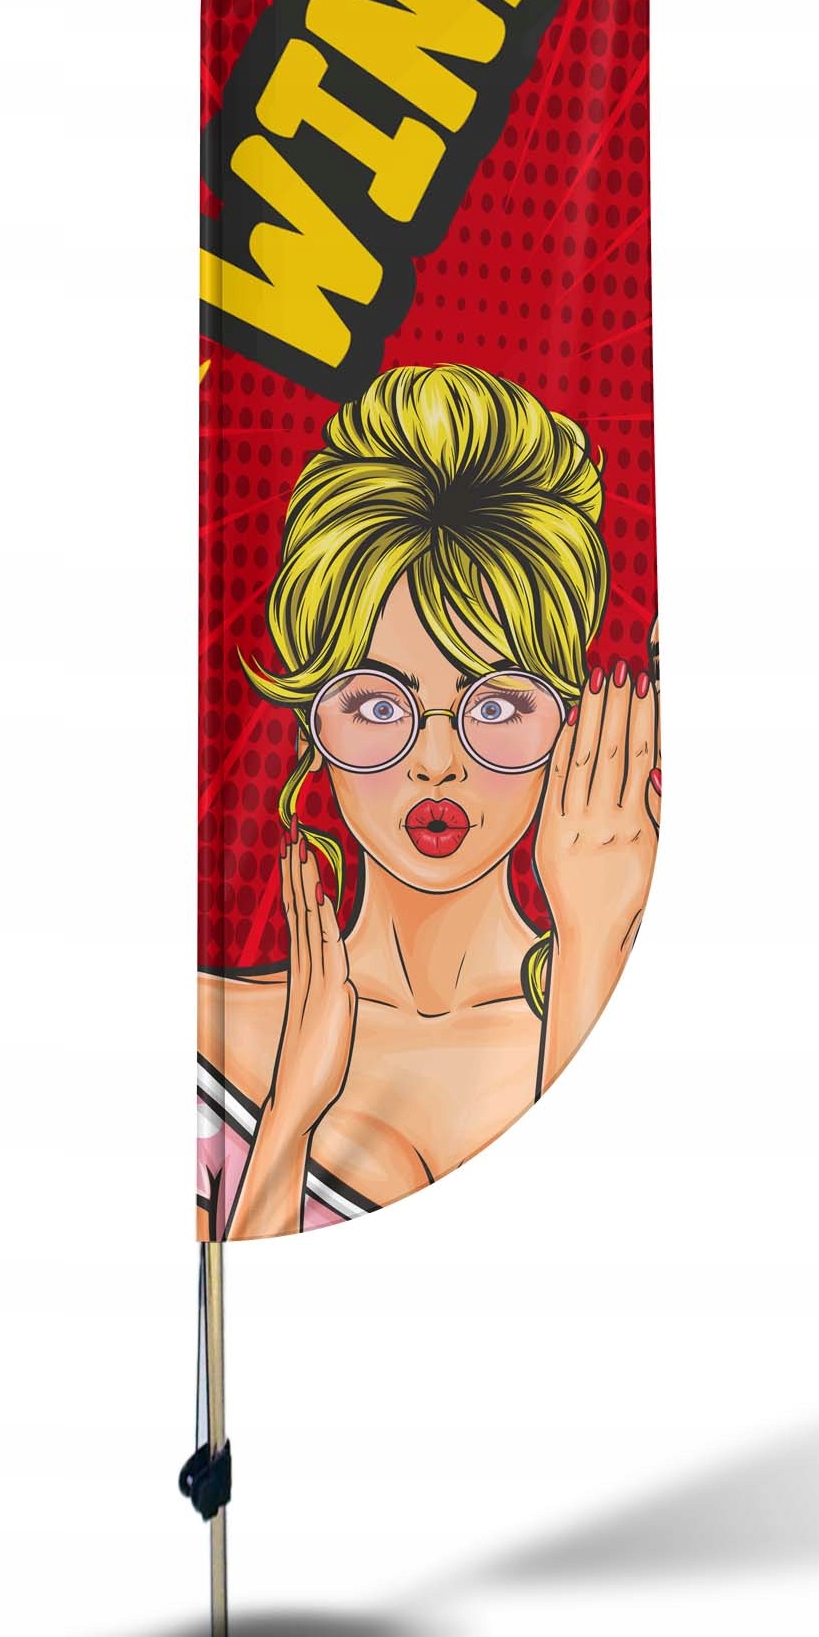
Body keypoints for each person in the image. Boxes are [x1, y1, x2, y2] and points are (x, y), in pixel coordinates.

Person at [196, 363, 660, 1236]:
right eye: (378, 706)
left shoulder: (614, 996)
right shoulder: (210, 1034)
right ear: (311, 723)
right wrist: (292, 1109)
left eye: (496, 706)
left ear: (566, 720)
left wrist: (591, 951)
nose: (436, 764)